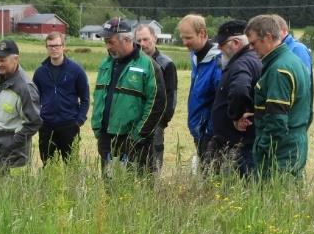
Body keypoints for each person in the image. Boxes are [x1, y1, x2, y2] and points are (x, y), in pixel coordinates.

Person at [91, 18, 166, 174]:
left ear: (126, 40)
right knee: (110, 189)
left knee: (133, 190)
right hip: (106, 139)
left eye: (110, 41)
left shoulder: (149, 66)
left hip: (134, 142)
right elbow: (98, 99)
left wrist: (137, 136)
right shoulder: (105, 65)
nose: (107, 46)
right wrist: (98, 130)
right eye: (106, 42)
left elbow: (157, 104)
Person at [245, 14, 312, 178]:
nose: (252, 49)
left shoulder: (278, 70)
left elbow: (277, 121)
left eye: (253, 43)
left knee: (276, 197)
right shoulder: (292, 61)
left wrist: (261, 148)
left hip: (280, 151)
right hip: (292, 143)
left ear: (268, 37)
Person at [204, 19, 261, 176]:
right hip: (240, 141)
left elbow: (240, 90)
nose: (221, 51)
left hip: (240, 143)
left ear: (235, 43)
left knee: (242, 185)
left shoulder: (241, 64)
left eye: (222, 47)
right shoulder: (249, 60)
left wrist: (236, 116)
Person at [32, 32, 90, 164]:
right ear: (46, 47)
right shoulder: (40, 72)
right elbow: (34, 99)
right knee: (48, 167)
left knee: (72, 166)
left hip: (69, 126)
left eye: (57, 45)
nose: (54, 49)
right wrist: (39, 119)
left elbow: (85, 99)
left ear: (63, 46)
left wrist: (78, 121)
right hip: (46, 126)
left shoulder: (76, 70)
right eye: (50, 46)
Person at [0, 39, 42, 174]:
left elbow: (34, 123)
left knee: (15, 192)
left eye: (3, 60)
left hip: (15, 151)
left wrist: (12, 143)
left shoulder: (25, 88)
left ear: (16, 59)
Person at [177, 13, 223, 162]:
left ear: (202, 33)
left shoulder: (218, 61)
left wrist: (209, 130)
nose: (184, 42)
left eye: (188, 38)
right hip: (198, 131)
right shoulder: (195, 56)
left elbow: (220, 100)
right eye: (182, 37)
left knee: (212, 177)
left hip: (211, 134)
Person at [134, 23, 178, 171]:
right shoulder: (133, 63)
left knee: (153, 164)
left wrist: (162, 122)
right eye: (139, 40)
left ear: (155, 38)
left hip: (156, 123)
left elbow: (171, 97)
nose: (142, 44)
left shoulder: (167, 64)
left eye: (146, 39)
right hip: (134, 121)